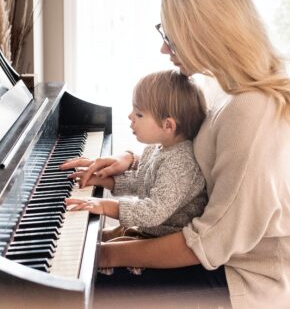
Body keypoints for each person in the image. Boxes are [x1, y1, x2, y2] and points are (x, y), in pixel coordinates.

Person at [61, 0, 290, 309]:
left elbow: (207, 243)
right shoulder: (219, 86)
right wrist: (128, 162)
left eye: (171, 37)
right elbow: (191, 158)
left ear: (205, 34)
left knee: (81, 290)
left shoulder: (251, 109)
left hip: (252, 276)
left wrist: (99, 255)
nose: (165, 51)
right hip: (222, 255)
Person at [64, 70, 208, 270]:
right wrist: (106, 181)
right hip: (151, 230)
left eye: (139, 114)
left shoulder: (181, 163)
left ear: (168, 125)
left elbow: (154, 212)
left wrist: (106, 206)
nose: (130, 117)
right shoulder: (159, 148)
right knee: (80, 240)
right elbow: (143, 181)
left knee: (88, 260)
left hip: (162, 242)